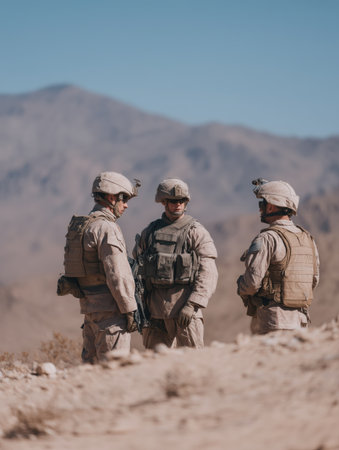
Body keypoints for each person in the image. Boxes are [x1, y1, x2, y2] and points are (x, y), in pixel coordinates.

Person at [58, 171, 140, 363]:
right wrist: (130, 310)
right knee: (114, 372)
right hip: (111, 313)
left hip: (90, 312)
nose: (126, 205)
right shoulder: (106, 228)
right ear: (111, 197)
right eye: (124, 199)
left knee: (91, 373)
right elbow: (117, 274)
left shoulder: (83, 225)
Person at [133, 178, 218, 349]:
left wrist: (192, 304)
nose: (178, 204)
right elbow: (137, 269)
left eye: (182, 200)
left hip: (185, 311)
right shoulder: (149, 232)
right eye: (173, 201)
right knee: (155, 363)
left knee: (194, 362)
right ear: (163, 202)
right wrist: (140, 309)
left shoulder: (196, 231)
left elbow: (208, 272)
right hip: (155, 313)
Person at [237, 178, 320, 334]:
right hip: (300, 322)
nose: (260, 209)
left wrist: (240, 284)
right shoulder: (308, 239)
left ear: (271, 207)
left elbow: (252, 283)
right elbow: (314, 280)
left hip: (273, 320)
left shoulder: (267, 239)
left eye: (262, 204)